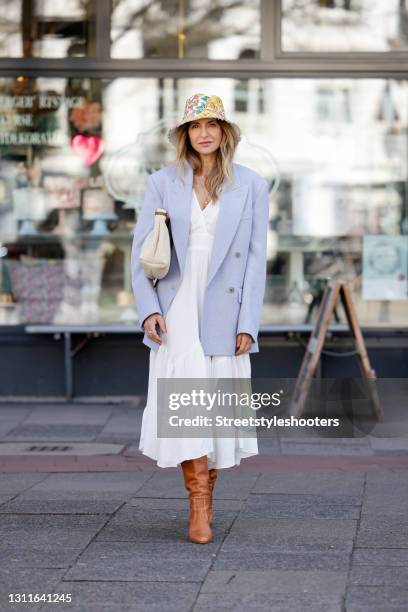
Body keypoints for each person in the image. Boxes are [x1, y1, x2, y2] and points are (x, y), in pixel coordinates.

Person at [131, 93, 269, 544]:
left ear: (225, 132)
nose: (203, 133)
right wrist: (149, 308)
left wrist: (248, 321)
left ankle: (205, 502)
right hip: (177, 306)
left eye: (211, 125)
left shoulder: (250, 184)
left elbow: (254, 259)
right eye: (195, 126)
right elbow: (141, 253)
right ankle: (198, 506)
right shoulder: (162, 182)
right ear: (185, 134)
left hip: (225, 311)